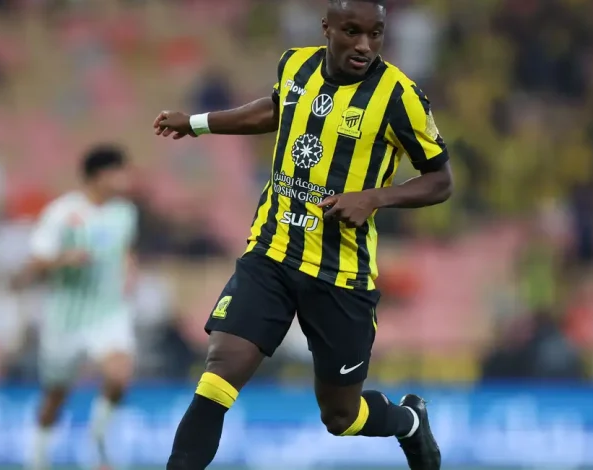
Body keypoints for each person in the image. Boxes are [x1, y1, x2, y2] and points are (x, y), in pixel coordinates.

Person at [154, 0, 452, 469]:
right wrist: (196, 124)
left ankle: (409, 421)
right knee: (220, 371)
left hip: (340, 272)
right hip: (271, 252)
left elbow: (440, 180)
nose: (364, 45)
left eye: (375, 34)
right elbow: (278, 110)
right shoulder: (295, 64)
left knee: (341, 415)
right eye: (351, 32)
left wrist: (373, 198)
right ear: (326, 27)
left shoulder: (399, 96)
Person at [14, 145, 138, 470]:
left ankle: (98, 439)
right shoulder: (62, 212)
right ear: (99, 175)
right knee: (56, 395)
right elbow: (35, 262)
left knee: (119, 374)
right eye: (120, 171)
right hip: (65, 317)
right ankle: (38, 457)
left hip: (108, 311)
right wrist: (64, 259)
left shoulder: (124, 213)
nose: (126, 178)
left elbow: (124, 248)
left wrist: (129, 271)